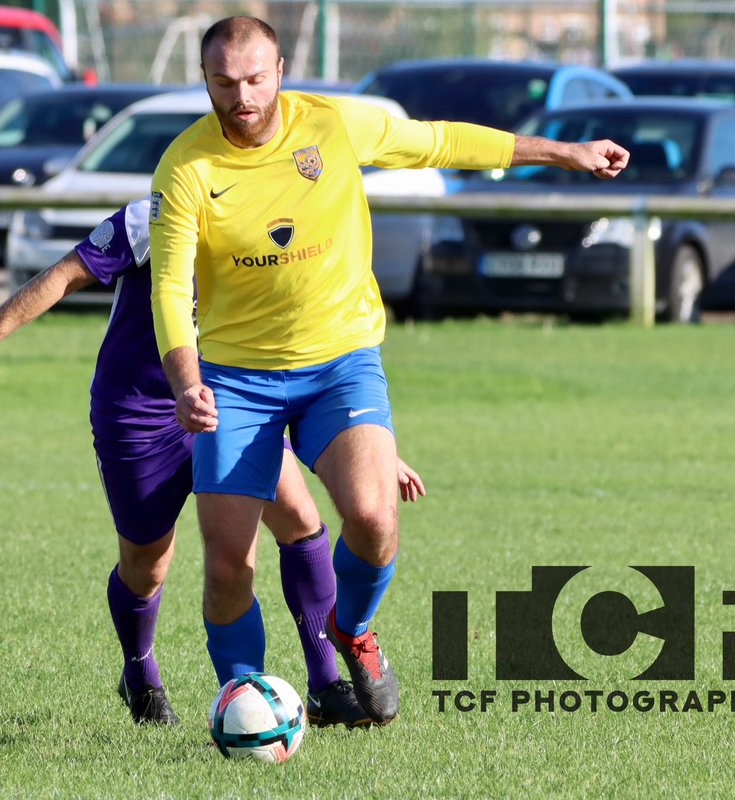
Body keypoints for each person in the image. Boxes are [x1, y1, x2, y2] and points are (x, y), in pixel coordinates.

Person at [149, 16, 629, 725]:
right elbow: (167, 285)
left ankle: (352, 628)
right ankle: (244, 703)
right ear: (205, 80)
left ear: (280, 68)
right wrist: (187, 382)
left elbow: (439, 141)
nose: (242, 97)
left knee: (374, 520)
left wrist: (562, 152)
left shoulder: (335, 124)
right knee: (228, 566)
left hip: (340, 363)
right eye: (224, 83)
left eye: (255, 79)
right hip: (237, 380)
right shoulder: (186, 167)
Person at [0, 196, 425, 728]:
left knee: (301, 525)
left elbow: (310, 339)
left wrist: (369, 449)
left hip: (231, 402)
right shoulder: (152, 217)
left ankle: (325, 683)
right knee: (148, 565)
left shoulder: (280, 225)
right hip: (140, 414)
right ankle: (139, 672)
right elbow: (64, 275)